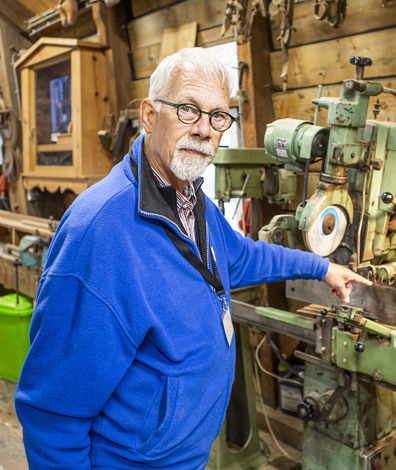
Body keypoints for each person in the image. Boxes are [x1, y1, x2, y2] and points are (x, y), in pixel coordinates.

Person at [15, 47, 371, 470]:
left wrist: (322, 267)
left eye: (218, 115)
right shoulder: (101, 232)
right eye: (188, 109)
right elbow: (53, 414)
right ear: (149, 116)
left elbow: (239, 258)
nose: (205, 129)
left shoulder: (189, 199)